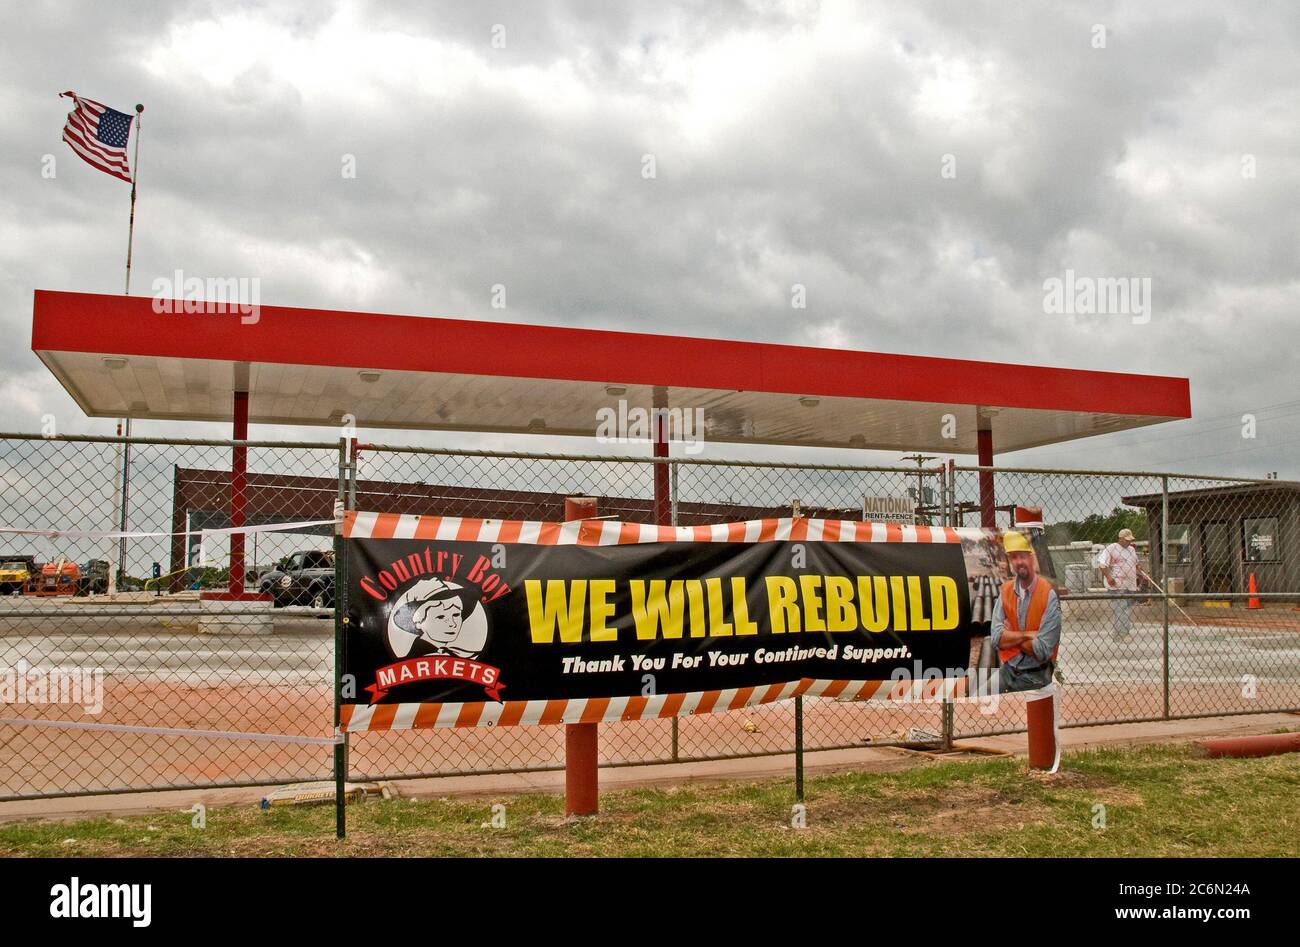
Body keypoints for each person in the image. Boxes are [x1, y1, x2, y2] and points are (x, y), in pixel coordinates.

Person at [987, 531, 1061, 693]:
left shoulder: (1047, 595)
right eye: (1014, 557)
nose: (1019, 562)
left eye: (1023, 556)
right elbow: (996, 638)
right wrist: (1028, 634)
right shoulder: (1006, 590)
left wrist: (1010, 633)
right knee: (979, 695)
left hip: (1036, 673)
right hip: (1009, 668)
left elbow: (1041, 650)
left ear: (1032, 558)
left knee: (1014, 708)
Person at [1097, 528, 1139, 640]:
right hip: (1117, 584)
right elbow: (1102, 565)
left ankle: (1121, 632)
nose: (1129, 542)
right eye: (1127, 540)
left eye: (1130, 540)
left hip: (1130, 585)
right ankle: (1122, 634)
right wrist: (1109, 577)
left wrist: (1139, 570)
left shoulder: (1131, 549)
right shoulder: (1111, 548)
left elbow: (1136, 564)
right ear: (1120, 539)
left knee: (1126, 608)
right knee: (1121, 608)